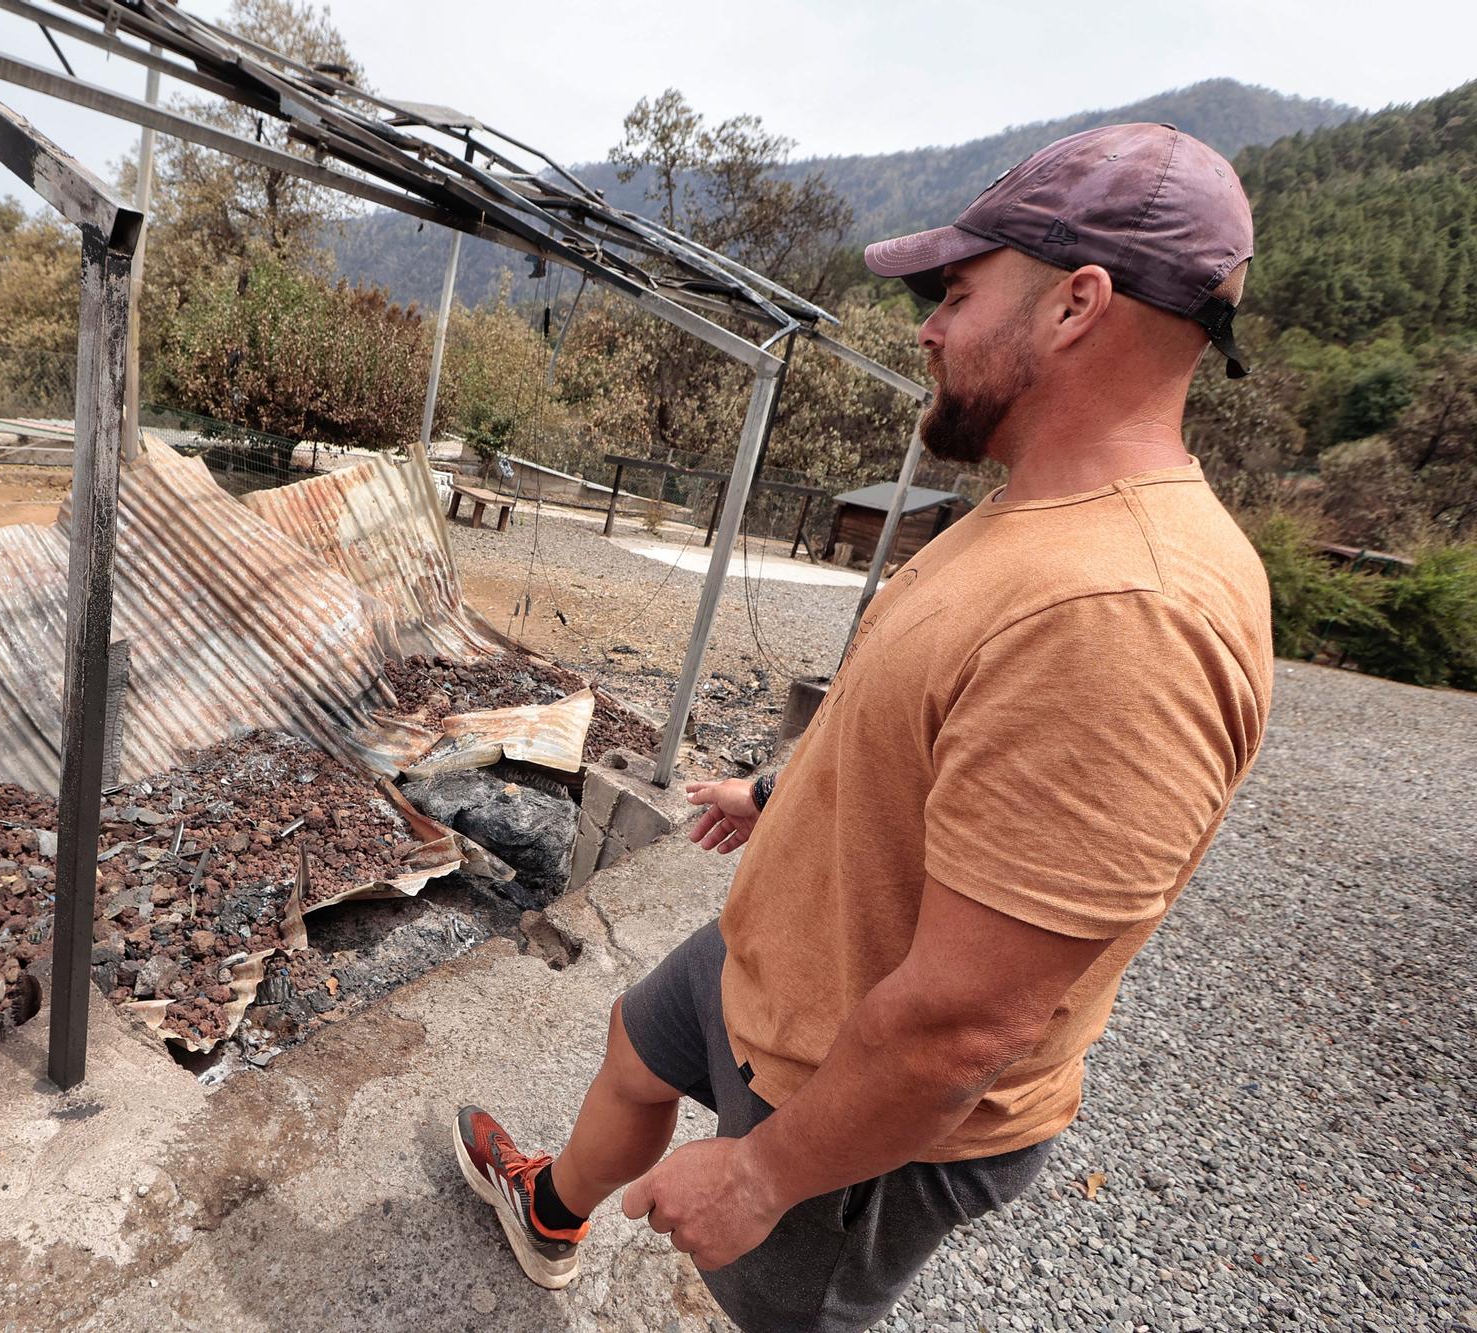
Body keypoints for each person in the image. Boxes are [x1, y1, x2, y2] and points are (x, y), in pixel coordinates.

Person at [451, 122, 1275, 1331]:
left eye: (954, 291)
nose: (927, 327)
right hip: (778, 966)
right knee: (636, 1050)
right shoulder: (1027, 519)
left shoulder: (1124, 614)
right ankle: (549, 1210)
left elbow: (963, 1023)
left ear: (1075, 304)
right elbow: (920, 729)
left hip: (852, 1111)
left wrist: (759, 1174)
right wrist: (777, 796)